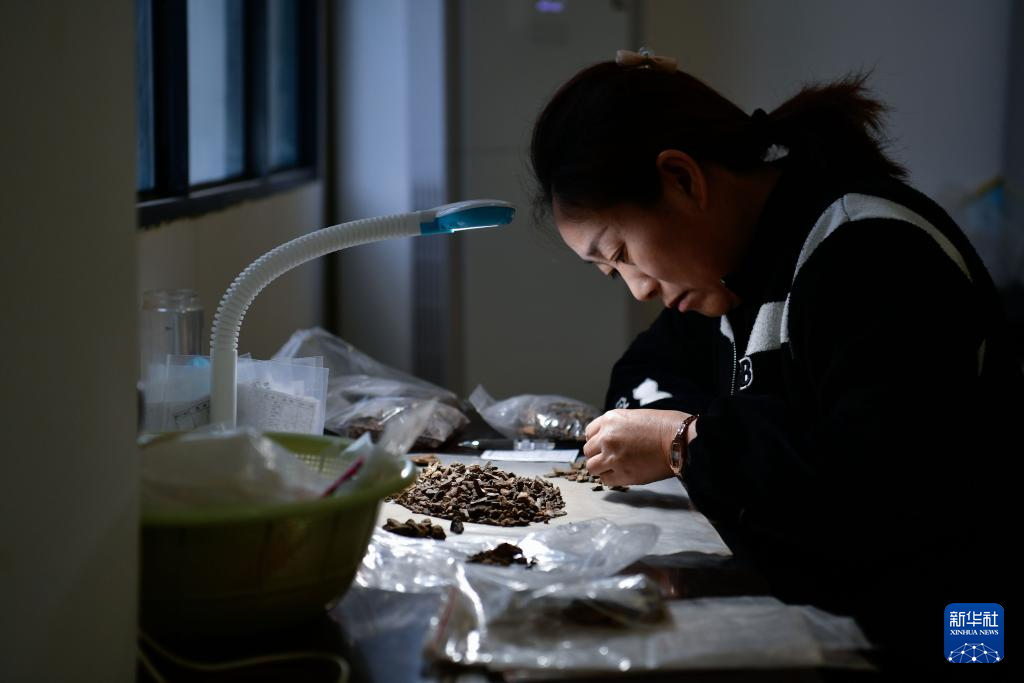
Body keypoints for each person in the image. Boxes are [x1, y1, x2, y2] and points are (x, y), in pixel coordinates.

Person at [530, 48, 1022, 671]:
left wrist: (687, 443)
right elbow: (642, 378)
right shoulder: (727, 274)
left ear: (682, 180)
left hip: (955, 630)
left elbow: (874, 492)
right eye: (611, 271)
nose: (639, 288)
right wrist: (682, 435)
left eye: (622, 252)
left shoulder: (869, 253)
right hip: (832, 611)